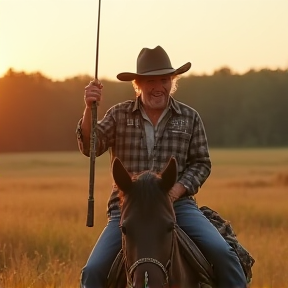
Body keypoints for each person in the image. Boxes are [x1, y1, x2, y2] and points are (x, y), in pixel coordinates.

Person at [76, 45, 247, 288]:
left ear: (172, 81)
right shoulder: (118, 115)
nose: (158, 87)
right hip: (127, 211)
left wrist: (175, 190)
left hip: (178, 207)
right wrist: (89, 107)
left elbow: (201, 163)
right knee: (93, 272)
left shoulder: (189, 117)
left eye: (164, 79)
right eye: (150, 81)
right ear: (138, 84)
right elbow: (90, 146)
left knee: (225, 255)